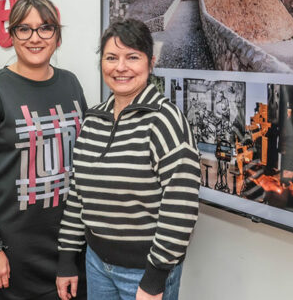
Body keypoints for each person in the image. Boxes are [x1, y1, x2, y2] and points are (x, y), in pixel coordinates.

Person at [56, 18, 201, 300]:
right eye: (111, 57)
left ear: (151, 62)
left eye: (132, 57)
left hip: (144, 272)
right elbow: (77, 194)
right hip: (96, 264)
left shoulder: (165, 120)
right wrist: (66, 257)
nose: (120, 67)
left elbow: (181, 206)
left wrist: (154, 279)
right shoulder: (93, 119)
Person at [0, 0, 88, 299]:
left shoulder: (71, 84)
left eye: (45, 28)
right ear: (11, 34)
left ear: (57, 35)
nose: (35, 38)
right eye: (24, 29)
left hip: (68, 247)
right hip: (9, 252)